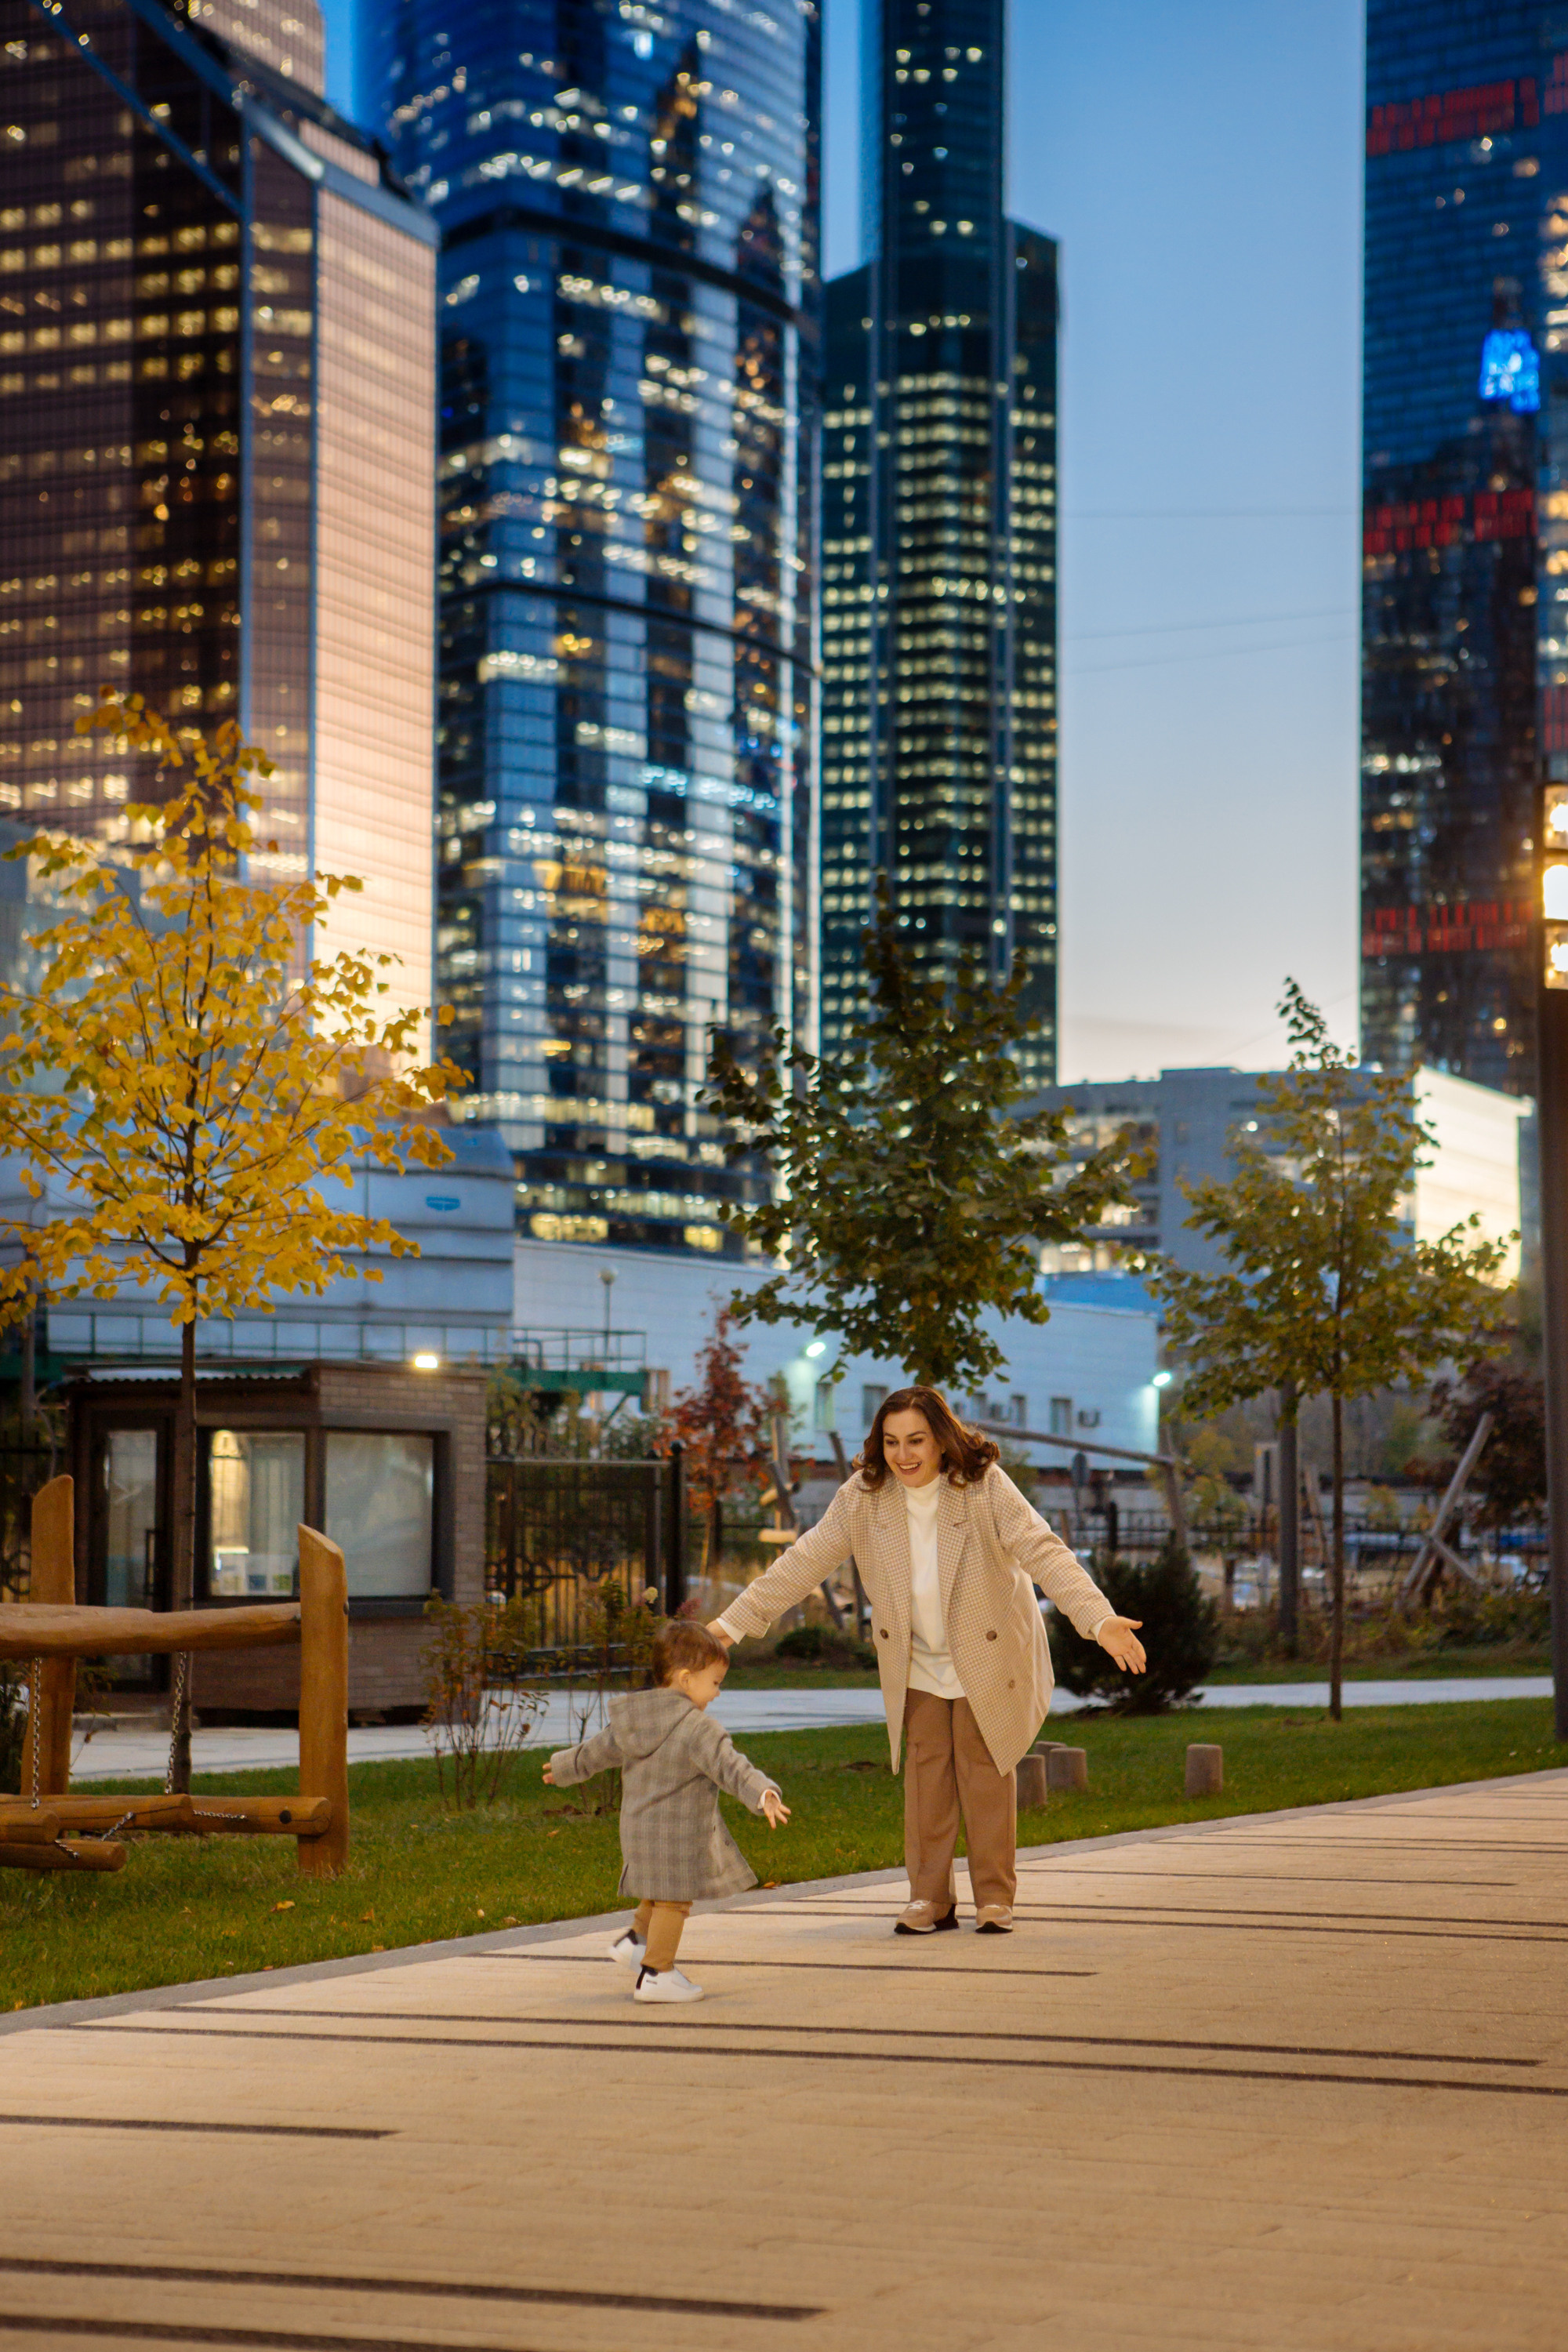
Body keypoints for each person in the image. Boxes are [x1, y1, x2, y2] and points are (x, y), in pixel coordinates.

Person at [710, 1385, 1145, 1936]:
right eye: (891, 1442)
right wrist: (729, 1625)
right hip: (916, 1659)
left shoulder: (984, 1488)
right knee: (926, 1776)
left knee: (985, 1771)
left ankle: (995, 1898)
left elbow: (1044, 1551)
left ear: (942, 1439)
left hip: (985, 1654)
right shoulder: (863, 1497)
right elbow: (804, 1561)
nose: (904, 1454)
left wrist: (1099, 1619)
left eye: (916, 1439)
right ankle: (928, 1898)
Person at [544, 1618, 790, 2004]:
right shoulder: (698, 1729)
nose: (717, 1693)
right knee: (673, 1902)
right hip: (677, 1834)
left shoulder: (633, 1720)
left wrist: (564, 1767)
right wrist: (763, 1794)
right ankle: (658, 1974)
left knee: (657, 1895)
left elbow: (597, 1751)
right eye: (715, 1682)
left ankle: (635, 1943)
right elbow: (732, 1767)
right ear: (686, 1679)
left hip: (638, 1829)